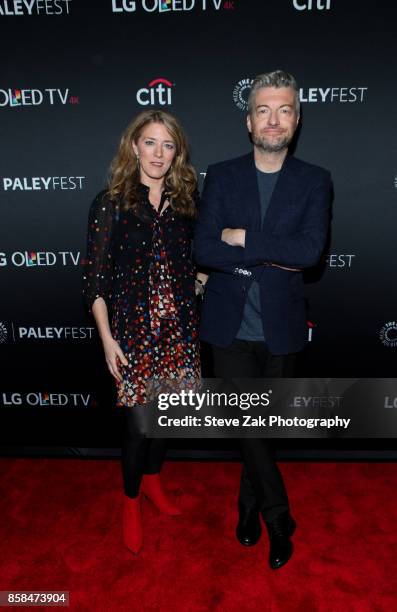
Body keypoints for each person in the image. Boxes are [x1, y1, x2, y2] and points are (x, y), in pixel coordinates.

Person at [194, 70, 332, 569]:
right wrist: (268, 253)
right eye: (263, 110)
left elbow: (310, 252)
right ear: (248, 121)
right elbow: (204, 246)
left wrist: (244, 238)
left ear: (296, 120)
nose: (273, 120)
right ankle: (278, 517)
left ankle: (248, 505)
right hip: (229, 327)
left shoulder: (315, 180)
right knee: (248, 426)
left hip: (282, 328)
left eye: (285, 110)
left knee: (262, 427)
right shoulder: (222, 174)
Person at [83, 109, 204, 554]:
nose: (158, 153)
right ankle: (130, 502)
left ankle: (153, 482)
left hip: (179, 329)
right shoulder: (110, 202)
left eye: (167, 145)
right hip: (132, 332)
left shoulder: (188, 203)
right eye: (150, 142)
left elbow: (192, 265)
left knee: (165, 419)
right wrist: (107, 339)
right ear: (134, 147)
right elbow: (95, 282)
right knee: (139, 424)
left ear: (177, 153)